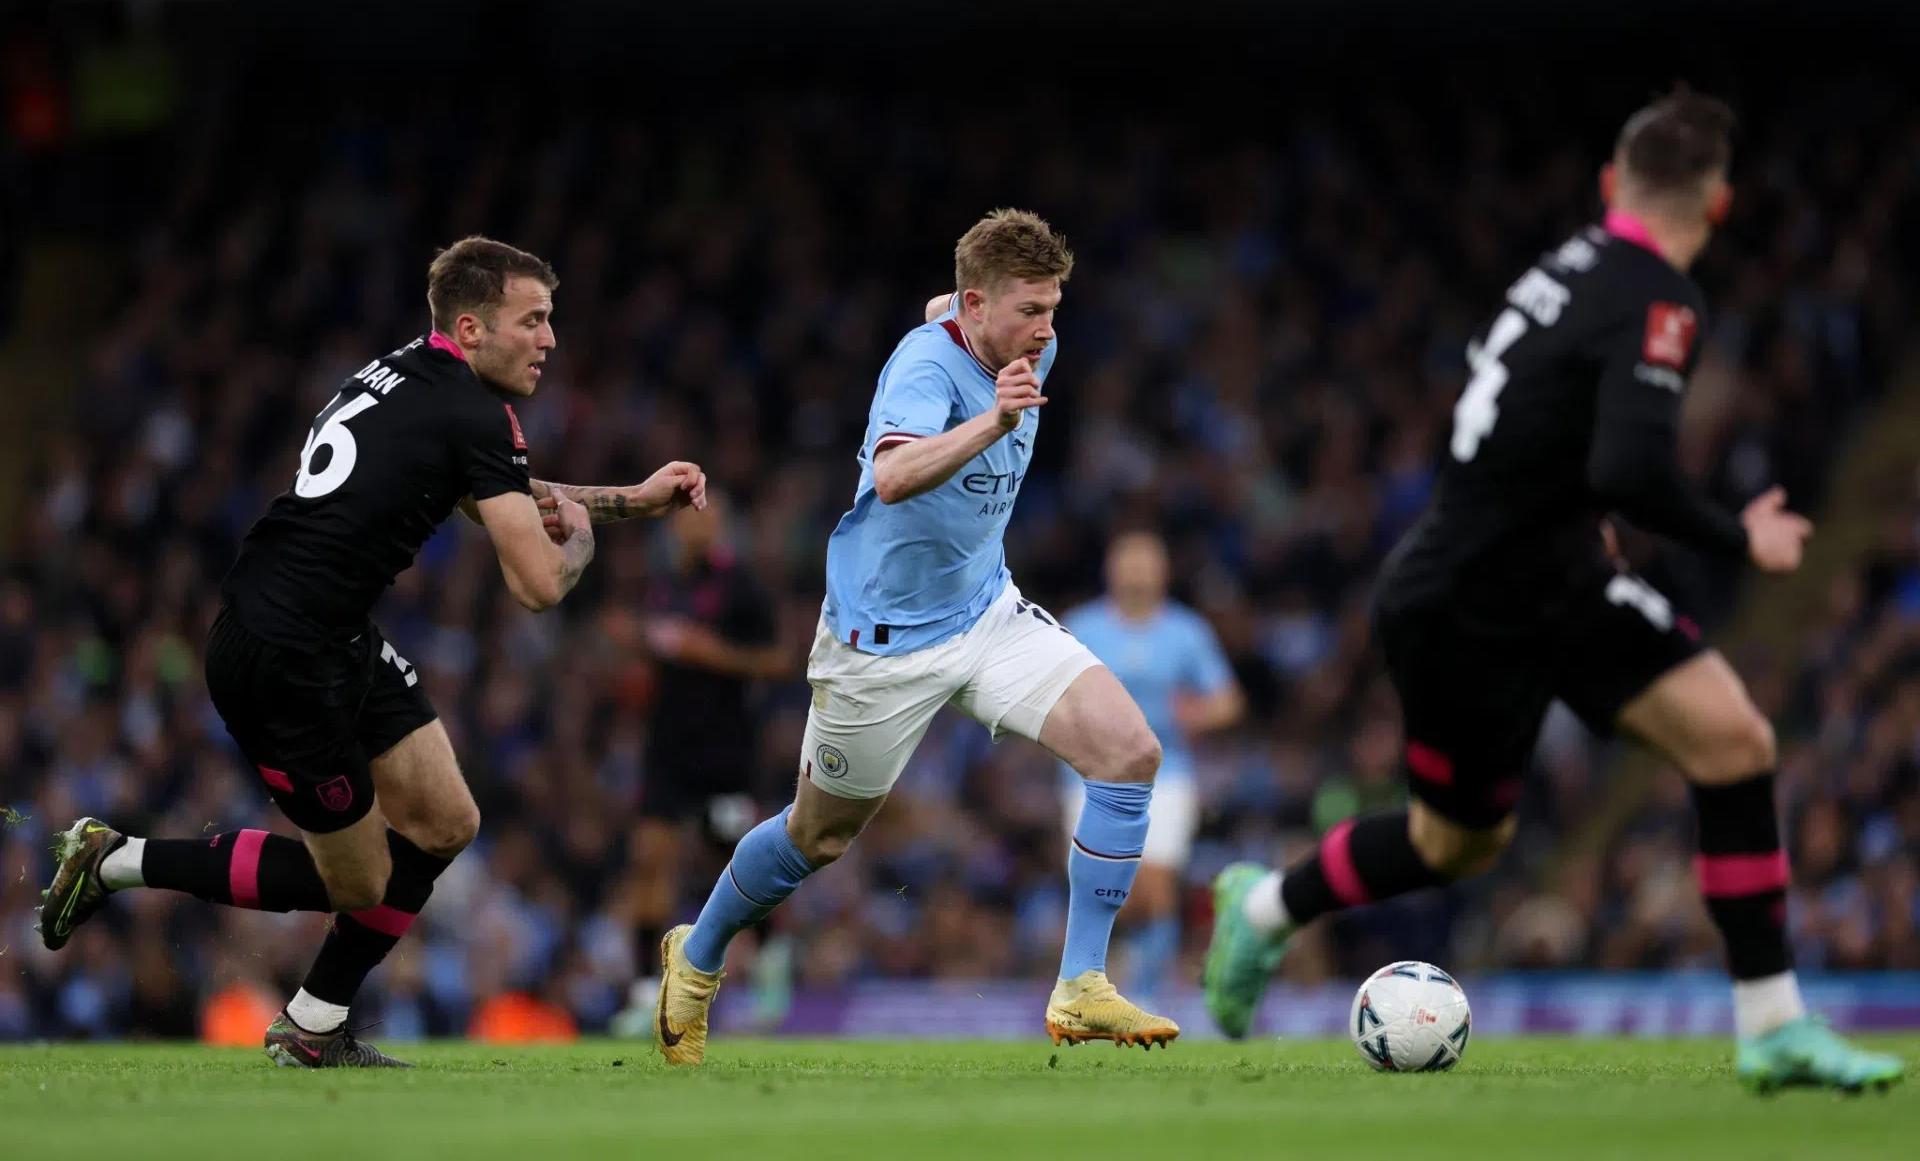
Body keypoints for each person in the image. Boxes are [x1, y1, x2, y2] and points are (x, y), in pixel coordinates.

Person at [1201, 91, 1903, 1094]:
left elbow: (1515, 428)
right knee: (1459, 839)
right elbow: (1630, 465)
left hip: (1514, 573)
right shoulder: (1658, 296)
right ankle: (1264, 905)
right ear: (1719, 206)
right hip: (1483, 593)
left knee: (1732, 741)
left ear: (1614, 185)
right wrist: (1735, 530)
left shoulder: (1567, 269)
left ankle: (1775, 1024)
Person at [37, 236, 709, 1068]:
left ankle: (315, 1024)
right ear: (471, 326)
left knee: (445, 822)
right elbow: (537, 584)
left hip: (330, 634)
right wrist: (580, 554)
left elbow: (485, 491)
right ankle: (117, 860)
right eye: (532, 320)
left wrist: (630, 502)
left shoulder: (410, 375)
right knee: (357, 881)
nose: (550, 339)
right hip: (283, 656)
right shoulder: (472, 410)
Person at [654, 209, 1177, 1065]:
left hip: (985, 611)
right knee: (816, 837)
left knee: (1129, 751)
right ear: (977, 305)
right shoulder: (924, 367)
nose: (1045, 332)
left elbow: (957, 307)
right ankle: (698, 957)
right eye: (1028, 312)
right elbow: (892, 474)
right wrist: (993, 421)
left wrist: (993, 334)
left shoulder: (999, 336)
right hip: (882, 643)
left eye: (1053, 309)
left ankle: (1082, 984)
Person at [1059, 531, 1243, 1006]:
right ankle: (1096, 980)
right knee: (1109, 891)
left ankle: (1145, 995)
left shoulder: (1186, 632)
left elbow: (1228, 701)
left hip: (1166, 776)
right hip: (1090, 776)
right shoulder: (1082, 626)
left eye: (1147, 562)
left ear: (1164, 572)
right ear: (1110, 569)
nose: (1137, 571)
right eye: (1128, 561)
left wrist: (1197, 714)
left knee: (1157, 889)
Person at [622, 488, 786, 1012]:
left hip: (725, 751)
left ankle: (768, 959)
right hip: (667, 746)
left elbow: (778, 661)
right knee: (650, 859)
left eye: (704, 517)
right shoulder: (663, 587)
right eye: (684, 519)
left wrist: (706, 652)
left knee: (735, 862)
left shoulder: (741, 587)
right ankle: (646, 986)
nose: (693, 526)